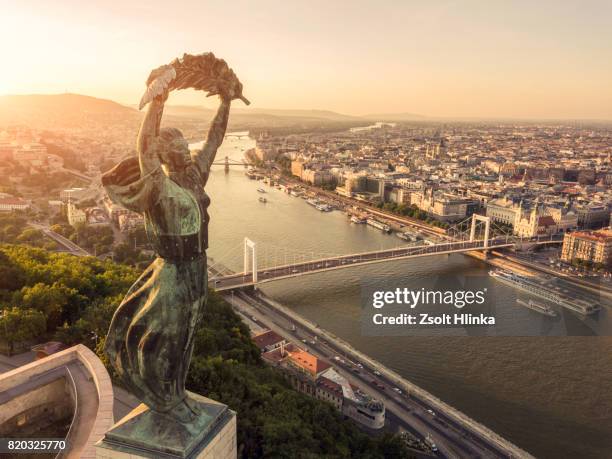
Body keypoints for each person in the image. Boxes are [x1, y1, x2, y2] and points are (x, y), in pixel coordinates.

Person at [101, 65, 240, 423]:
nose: (182, 150)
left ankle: (176, 394)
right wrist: (159, 100)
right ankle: (164, 400)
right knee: (170, 338)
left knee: (188, 335)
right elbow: (144, 144)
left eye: (182, 145)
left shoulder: (194, 175)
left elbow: (214, 139)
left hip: (197, 266)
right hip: (174, 271)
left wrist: (226, 101)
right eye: (175, 147)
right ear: (164, 156)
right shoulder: (158, 188)